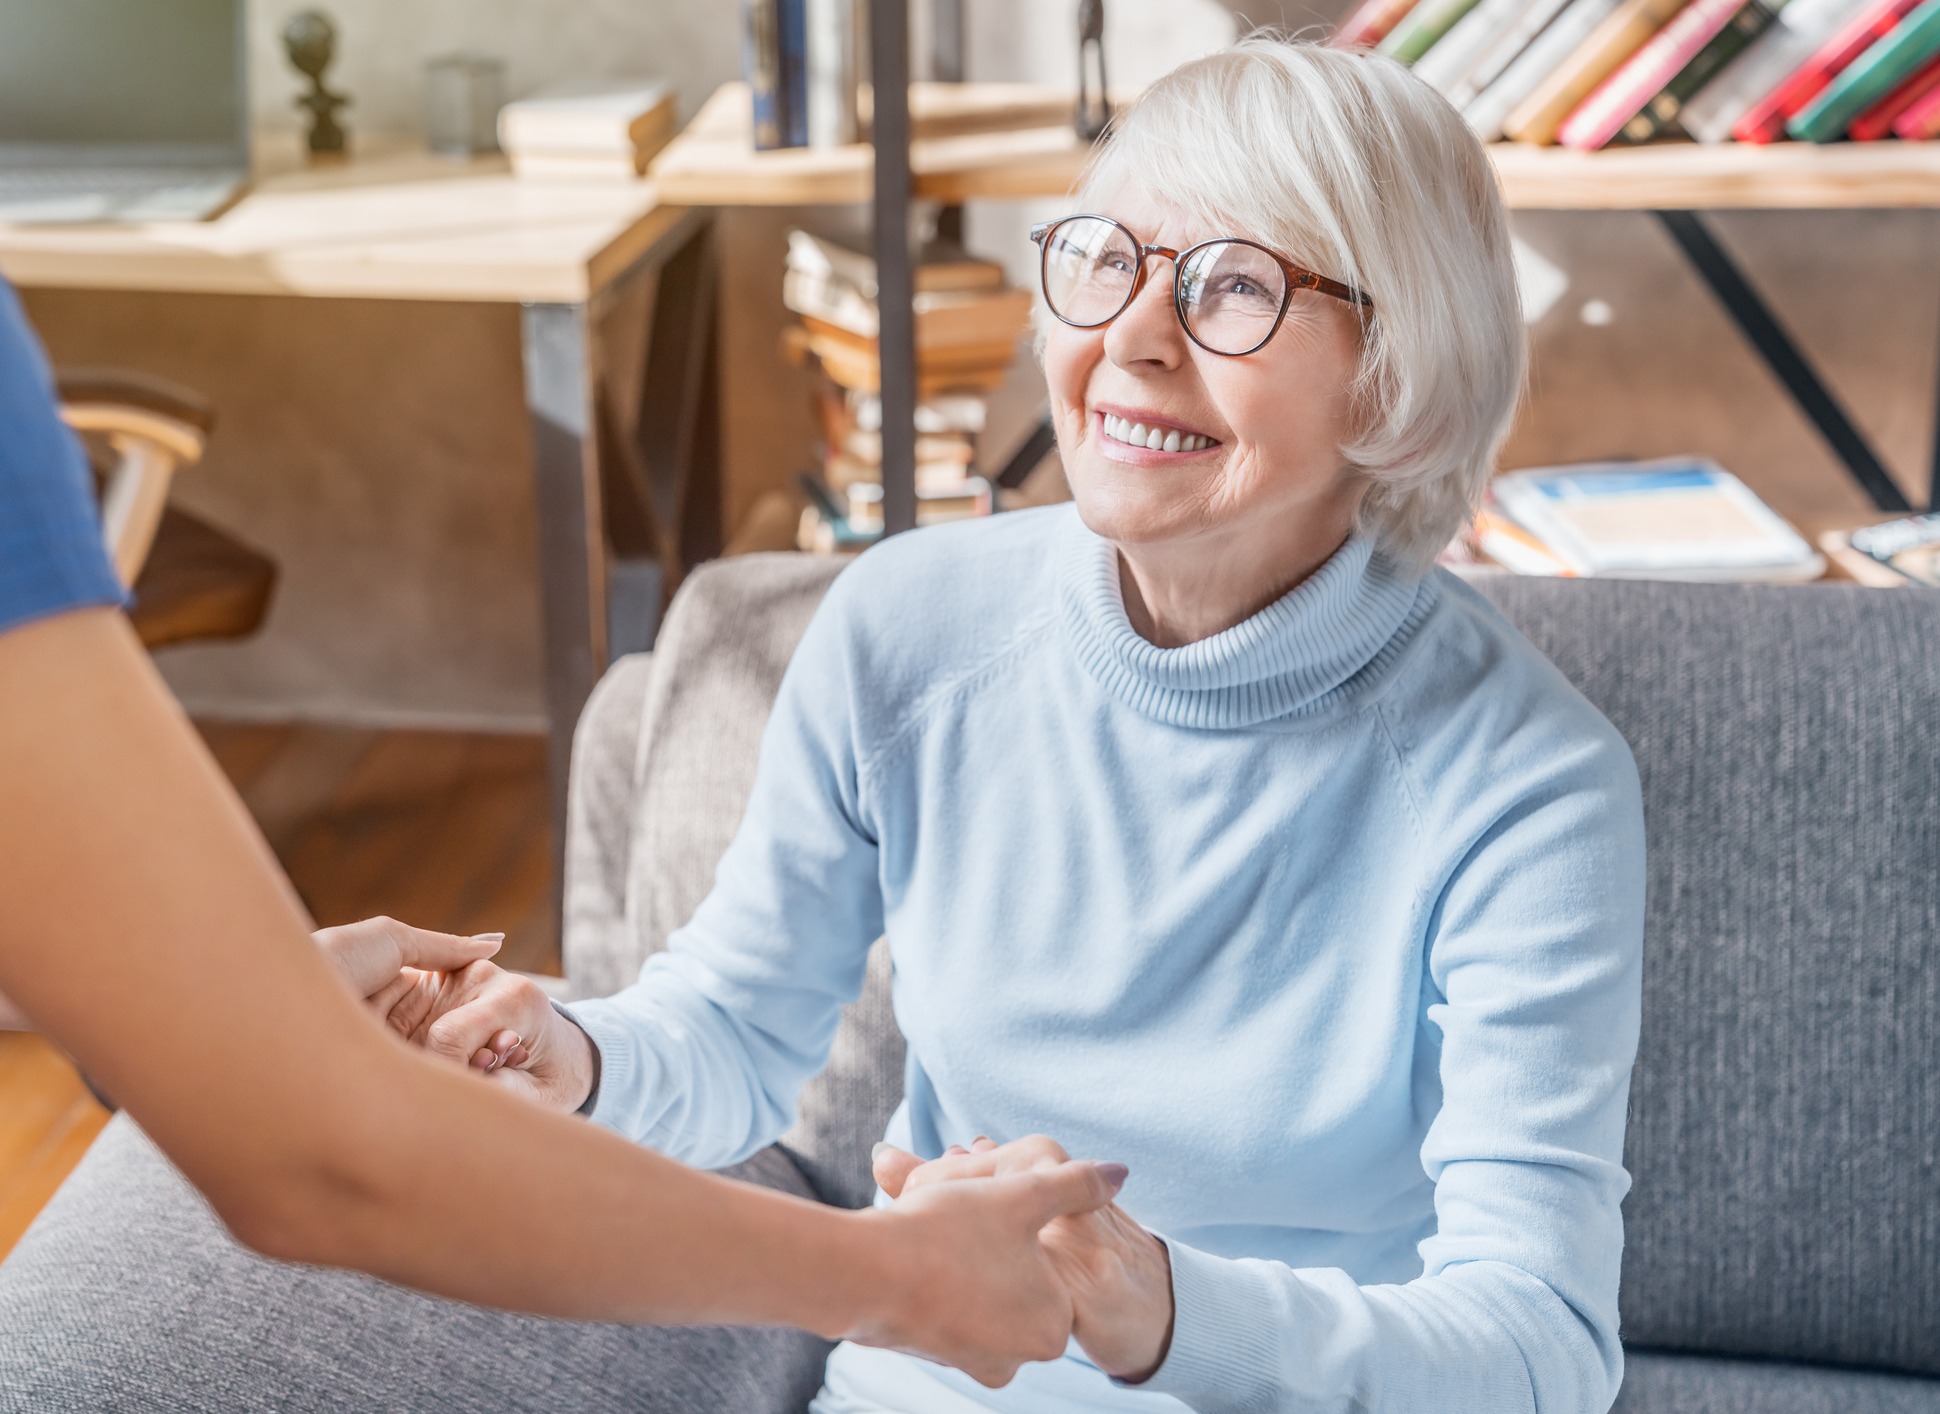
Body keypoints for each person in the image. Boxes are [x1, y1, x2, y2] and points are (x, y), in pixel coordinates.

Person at [405, 38, 1648, 1414]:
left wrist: (1154, 1302)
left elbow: (1537, 1348)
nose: (1132, 339)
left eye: (1235, 284)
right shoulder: (906, 630)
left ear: (1400, 371)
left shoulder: (1532, 787)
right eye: (1106, 258)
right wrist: (564, 1055)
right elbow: (732, 1032)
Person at [0, 268, 1129, 1390]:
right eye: (1105, 266)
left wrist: (261, 1013)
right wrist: (890, 1278)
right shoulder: (906, 629)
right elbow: (316, 1157)